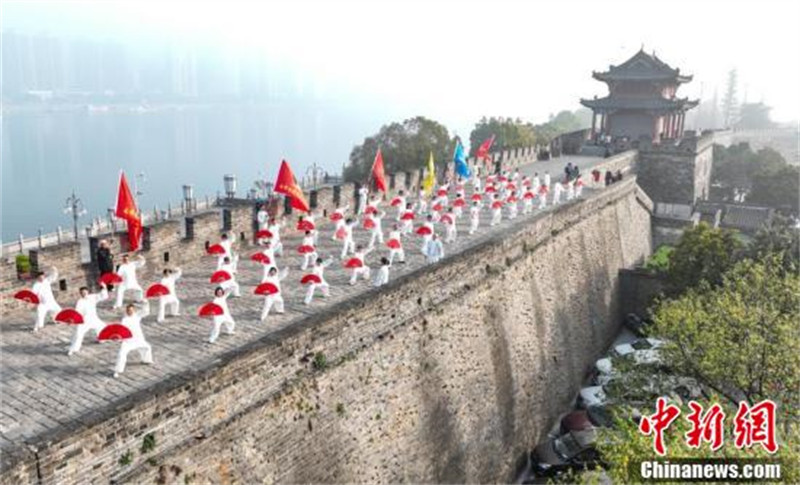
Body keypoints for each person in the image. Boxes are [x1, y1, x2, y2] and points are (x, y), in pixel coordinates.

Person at [114, 301, 153, 377]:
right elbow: (121, 331)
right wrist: (119, 338)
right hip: (128, 341)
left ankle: (146, 360)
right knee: (121, 354)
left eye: (131, 310)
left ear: (134, 310)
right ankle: (118, 370)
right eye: (128, 311)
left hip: (138, 339)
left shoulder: (137, 316)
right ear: (126, 311)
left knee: (147, 347)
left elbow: (146, 311)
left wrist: (146, 303)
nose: (130, 312)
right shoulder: (124, 320)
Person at [69, 283, 109, 355]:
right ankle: (74, 348)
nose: (84, 294)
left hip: (93, 318)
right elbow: (77, 312)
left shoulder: (92, 297)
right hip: (84, 321)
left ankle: (101, 339)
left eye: (85, 292)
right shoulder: (79, 302)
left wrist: (104, 288)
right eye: (82, 293)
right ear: (80, 294)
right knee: (78, 334)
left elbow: (103, 296)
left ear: (87, 292)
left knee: (103, 327)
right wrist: (73, 320)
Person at [31, 267, 62, 333]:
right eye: (40, 277)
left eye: (42, 277)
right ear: (37, 278)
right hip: (42, 303)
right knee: (40, 315)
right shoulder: (36, 285)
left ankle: (55, 319)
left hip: (51, 301)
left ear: (44, 276)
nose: (41, 278)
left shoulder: (47, 280)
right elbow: (33, 294)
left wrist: (54, 269)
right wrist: (34, 303)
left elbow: (54, 276)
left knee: (59, 311)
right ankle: (37, 327)